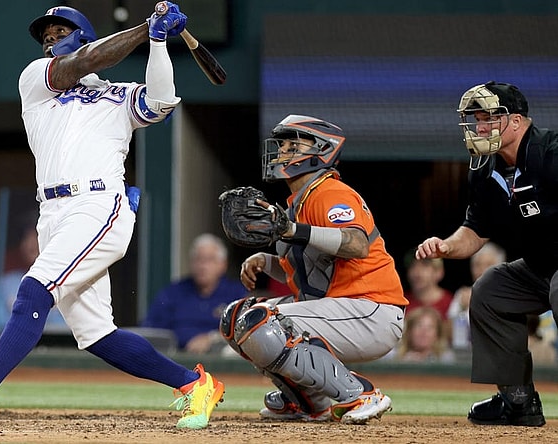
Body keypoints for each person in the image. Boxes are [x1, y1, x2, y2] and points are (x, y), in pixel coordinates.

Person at [0, 4, 225, 431]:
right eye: (47, 33)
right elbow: (89, 60)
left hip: (98, 206)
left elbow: (161, 100)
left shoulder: (117, 95)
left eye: (62, 30)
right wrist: (147, 29)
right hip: (53, 212)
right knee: (97, 336)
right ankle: (194, 384)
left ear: (86, 35)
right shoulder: (36, 79)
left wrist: (159, 43)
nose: (51, 38)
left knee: (33, 292)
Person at [220, 115, 408, 424]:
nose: (281, 152)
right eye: (281, 145)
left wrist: (294, 229)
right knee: (236, 319)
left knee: (263, 323)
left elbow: (356, 244)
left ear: (321, 151)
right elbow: (310, 274)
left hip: (372, 309)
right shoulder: (298, 201)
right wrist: (266, 262)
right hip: (340, 308)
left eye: (291, 145)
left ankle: (360, 393)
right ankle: (308, 400)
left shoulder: (331, 193)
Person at [415, 81, 557, 427]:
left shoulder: (551, 154)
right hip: (541, 267)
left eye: (490, 118)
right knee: (491, 289)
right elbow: (477, 229)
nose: (480, 127)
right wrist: (447, 246)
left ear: (517, 121)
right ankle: (517, 401)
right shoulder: (484, 168)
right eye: (476, 119)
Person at [142, 233, 248, 353]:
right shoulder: (172, 293)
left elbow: (246, 331)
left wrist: (211, 338)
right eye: (198, 259)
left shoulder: (236, 293)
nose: (203, 266)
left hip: (221, 360)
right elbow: (151, 332)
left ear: (223, 265)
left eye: (210, 260)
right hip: (178, 358)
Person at [0, 224, 66, 345]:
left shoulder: (65, 281)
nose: (31, 244)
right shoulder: (8, 282)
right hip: (14, 350)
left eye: (36, 237)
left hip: (57, 352)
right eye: (27, 238)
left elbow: (73, 327)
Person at [447, 242, 506, 350]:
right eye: (477, 265)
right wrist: (462, 308)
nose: (481, 270)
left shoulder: (509, 296)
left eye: (488, 264)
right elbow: (448, 335)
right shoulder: (462, 295)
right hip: (465, 356)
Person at [386, 306, 455, 364]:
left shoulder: (446, 359)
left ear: (437, 335)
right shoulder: (393, 357)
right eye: (419, 326)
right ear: (409, 332)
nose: (424, 331)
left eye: (430, 327)